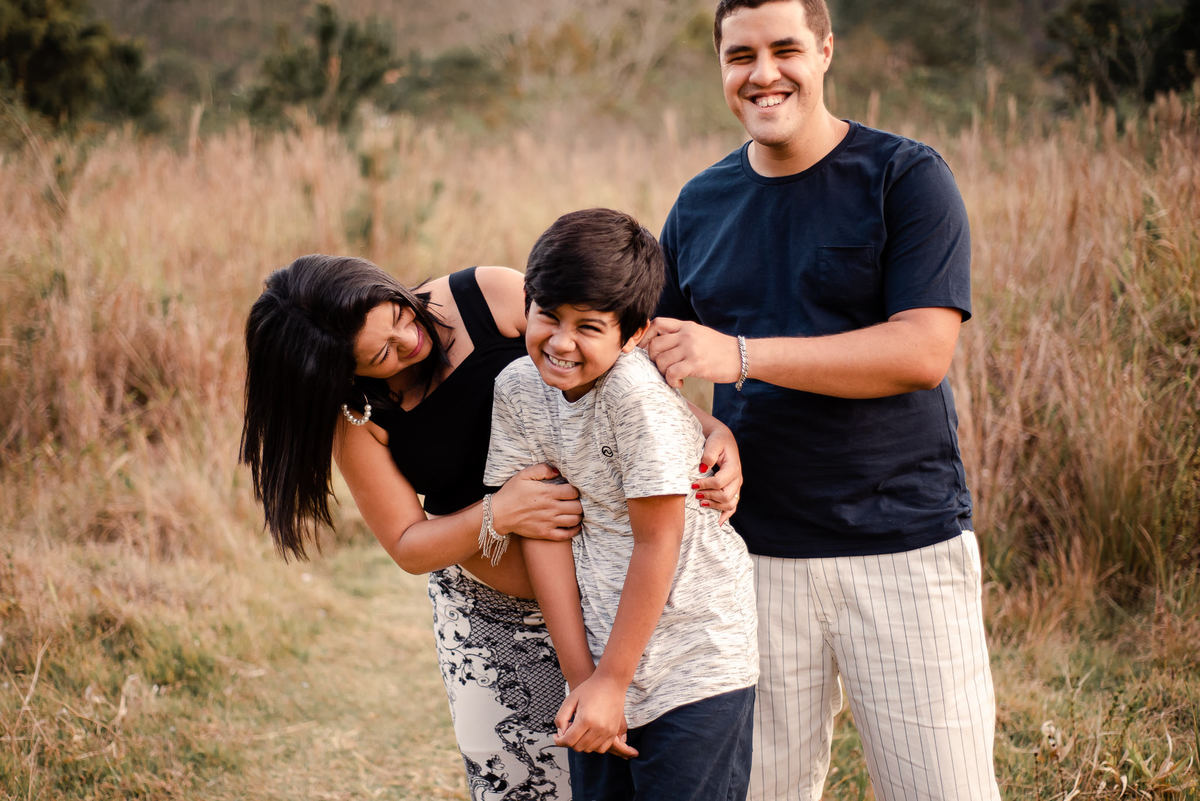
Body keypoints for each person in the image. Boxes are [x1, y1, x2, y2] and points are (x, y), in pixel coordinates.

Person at [641, 2, 1003, 801]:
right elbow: (652, 366)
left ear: (826, 51)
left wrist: (739, 358)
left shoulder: (906, 177)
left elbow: (921, 351)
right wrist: (707, 426)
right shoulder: (700, 204)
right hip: (751, 558)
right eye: (741, 56)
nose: (763, 73)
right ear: (722, 68)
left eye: (785, 49)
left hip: (903, 549)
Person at [238, 254, 743, 801]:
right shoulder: (357, 416)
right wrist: (499, 513)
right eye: (382, 353)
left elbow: (612, 364)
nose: (408, 340)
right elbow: (408, 544)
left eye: (400, 315)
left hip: (624, 598)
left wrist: (713, 430)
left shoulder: (489, 297)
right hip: (501, 625)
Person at [483, 208, 759, 801]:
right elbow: (542, 528)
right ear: (527, 302)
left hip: (695, 657)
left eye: (588, 327)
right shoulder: (516, 390)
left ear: (633, 334)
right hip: (604, 655)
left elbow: (660, 539)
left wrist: (612, 680)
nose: (560, 342)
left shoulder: (637, 397)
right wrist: (585, 682)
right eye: (548, 316)